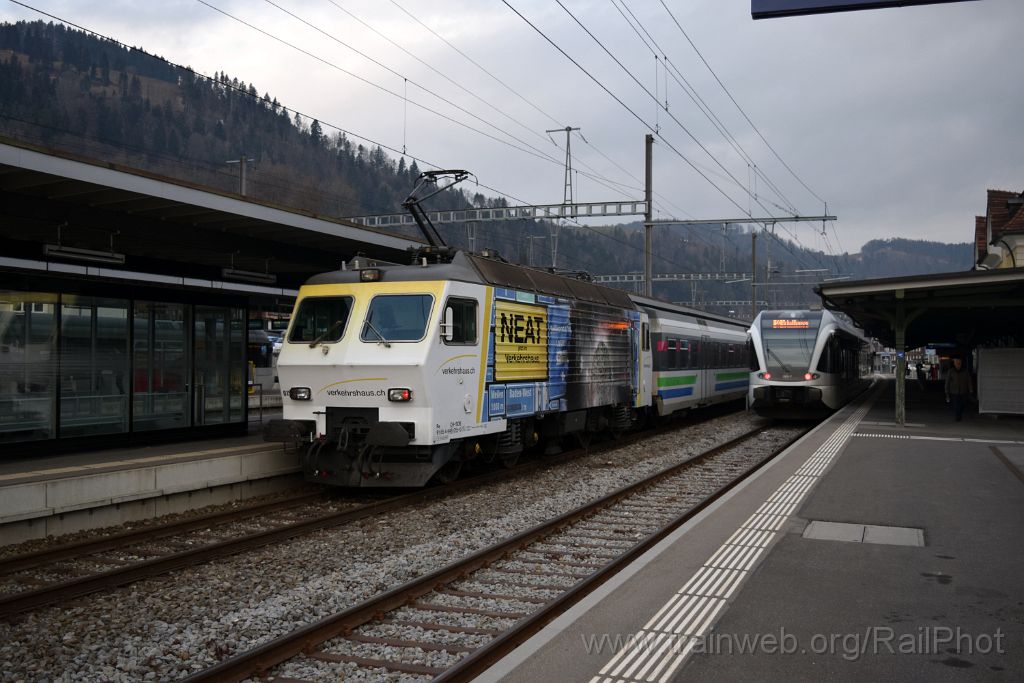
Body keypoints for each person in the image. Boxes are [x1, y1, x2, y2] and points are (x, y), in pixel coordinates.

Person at [944, 357, 974, 422]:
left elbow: (969, 381)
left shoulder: (965, 371)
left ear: (961, 363)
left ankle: (959, 414)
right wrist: (946, 391)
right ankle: (957, 417)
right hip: (954, 391)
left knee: (963, 404)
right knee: (956, 405)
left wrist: (971, 389)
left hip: (963, 391)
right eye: (957, 363)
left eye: (959, 363)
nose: (958, 364)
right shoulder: (951, 371)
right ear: (954, 364)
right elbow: (947, 382)